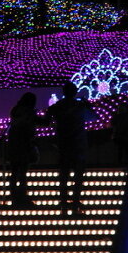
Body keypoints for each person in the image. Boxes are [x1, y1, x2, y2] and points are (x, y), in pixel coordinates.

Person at [45, 85, 89, 216]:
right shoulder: (80, 106)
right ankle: (75, 201)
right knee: (78, 175)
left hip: (63, 144)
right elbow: (93, 116)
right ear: (75, 92)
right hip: (78, 144)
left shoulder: (57, 107)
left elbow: (46, 121)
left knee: (64, 175)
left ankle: (64, 202)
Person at [6, 92, 39, 208]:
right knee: (22, 173)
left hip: (14, 146)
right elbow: (36, 123)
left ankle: (14, 198)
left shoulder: (15, 111)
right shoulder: (28, 113)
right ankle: (22, 198)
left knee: (15, 172)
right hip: (23, 146)